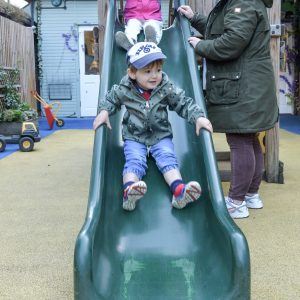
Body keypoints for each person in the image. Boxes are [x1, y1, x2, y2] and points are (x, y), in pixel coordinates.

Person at [178, 1, 279, 219]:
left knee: (240, 140)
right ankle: (251, 194)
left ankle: (236, 202)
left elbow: (231, 42)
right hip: (249, 84)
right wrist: (195, 18)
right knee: (249, 139)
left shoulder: (242, 2)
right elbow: (225, 29)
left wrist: (200, 46)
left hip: (244, 85)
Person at [93, 42, 213, 211]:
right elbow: (110, 99)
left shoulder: (165, 87)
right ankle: (129, 192)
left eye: (157, 70)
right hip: (134, 136)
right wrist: (104, 111)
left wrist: (198, 117)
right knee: (135, 161)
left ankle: (179, 192)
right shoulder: (124, 88)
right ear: (132, 73)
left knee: (168, 158)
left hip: (160, 135)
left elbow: (183, 103)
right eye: (147, 71)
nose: (154, 76)